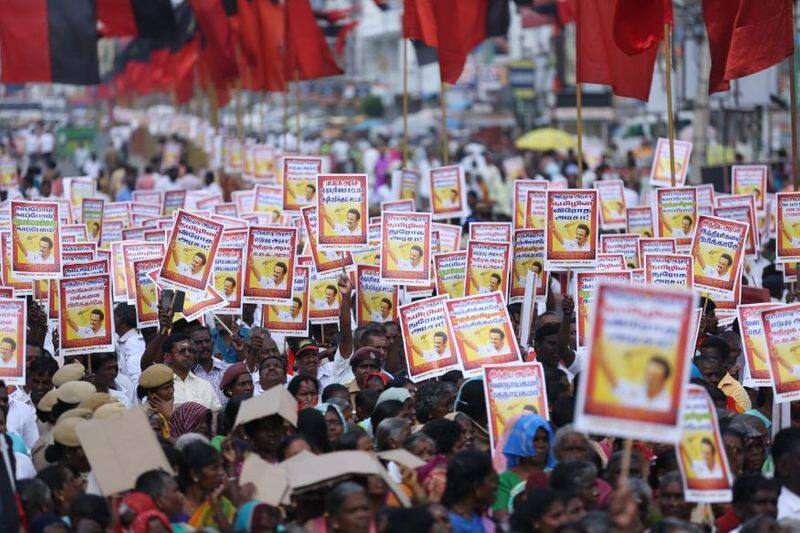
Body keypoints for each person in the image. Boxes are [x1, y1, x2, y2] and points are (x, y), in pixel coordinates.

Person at [492, 415, 556, 522]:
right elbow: (501, 518)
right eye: (535, 439)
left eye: (545, 440)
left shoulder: (556, 473)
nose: (541, 445)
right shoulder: (505, 479)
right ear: (521, 442)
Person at [178, 441, 235, 530]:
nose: (221, 472)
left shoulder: (221, 502)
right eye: (214, 468)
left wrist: (216, 505)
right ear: (194, 475)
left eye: (221, 466)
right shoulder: (177, 509)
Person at [443, 450, 498, 532]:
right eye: (492, 480)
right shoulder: (450, 526)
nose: (495, 486)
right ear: (477, 487)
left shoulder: (473, 518)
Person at [597, 350, 671, 411]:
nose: (649, 378)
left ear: (663, 378)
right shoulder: (635, 391)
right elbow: (614, 382)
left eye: (653, 375)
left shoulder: (669, 404)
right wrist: (601, 357)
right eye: (648, 373)